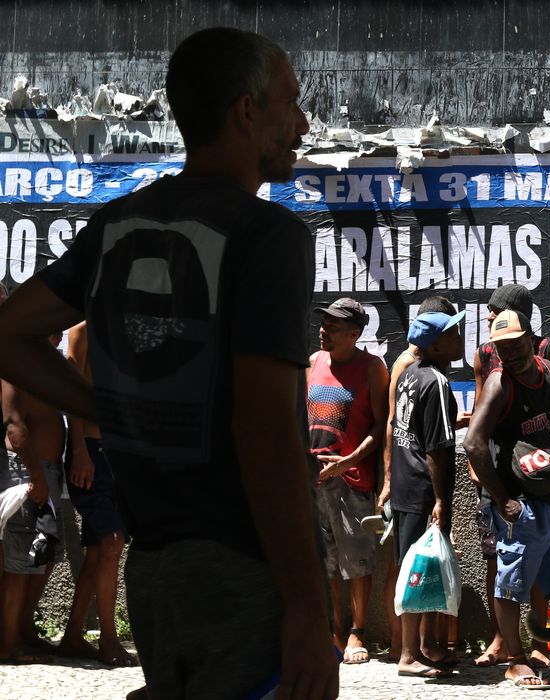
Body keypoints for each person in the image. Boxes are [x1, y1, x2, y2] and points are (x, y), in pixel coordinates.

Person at [0, 27, 338, 697]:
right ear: (247, 111)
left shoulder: (118, 224)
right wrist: (306, 606)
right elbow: (266, 433)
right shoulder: (267, 235)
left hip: (153, 570)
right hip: (244, 570)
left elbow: (10, 334)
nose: (303, 122)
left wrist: (107, 407)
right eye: (291, 101)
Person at [464, 309, 550, 687]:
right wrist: (503, 499)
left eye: (515, 343)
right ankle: (514, 658)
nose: (509, 352)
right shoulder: (498, 384)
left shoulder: (548, 369)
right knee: (511, 585)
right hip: (521, 503)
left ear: (530, 338)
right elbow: (474, 443)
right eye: (501, 347)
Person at [470, 283, 550, 668]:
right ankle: (500, 639)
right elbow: (481, 409)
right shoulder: (484, 353)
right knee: (497, 555)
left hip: (540, 471)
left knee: (540, 555)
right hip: (497, 471)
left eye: (495, 312)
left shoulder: (547, 350)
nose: (489, 318)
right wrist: (478, 467)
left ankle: (541, 639)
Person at [377, 294, 468, 661]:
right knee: (419, 572)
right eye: (452, 333)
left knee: (418, 568)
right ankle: (410, 655)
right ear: (434, 344)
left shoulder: (409, 375)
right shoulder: (435, 382)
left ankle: (425, 646)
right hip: (422, 490)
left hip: (404, 487)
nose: (460, 337)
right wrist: (443, 501)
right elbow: (436, 450)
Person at [308, 297, 390, 664]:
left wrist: (350, 461)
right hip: (314, 480)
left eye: (334, 327)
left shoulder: (372, 368)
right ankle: (332, 630)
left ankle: (358, 631)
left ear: (355, 334)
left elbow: (381, 425)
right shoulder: (313, 362)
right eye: (323, 324)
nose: (324, 331)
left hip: (354, 477)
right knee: (323, 561)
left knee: (356, 559)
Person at [56, 322, 134, 667]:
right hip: (90, 449)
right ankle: (109, 640)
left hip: (119, 451)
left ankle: (73, 635)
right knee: (112, 542)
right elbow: (71, 392)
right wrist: (80, 451)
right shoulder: (83, 330)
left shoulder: (129, 326)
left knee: (99, 549)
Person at [1, 333, 66, 665]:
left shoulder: (38, 365)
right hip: (28, 473)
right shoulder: (14, 362)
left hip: (45, 471)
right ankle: (8, 642)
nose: (57, 335)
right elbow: (14, 425)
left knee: (38, 558)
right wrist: (36, 477)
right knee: (18, 561)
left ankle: (23, 632)